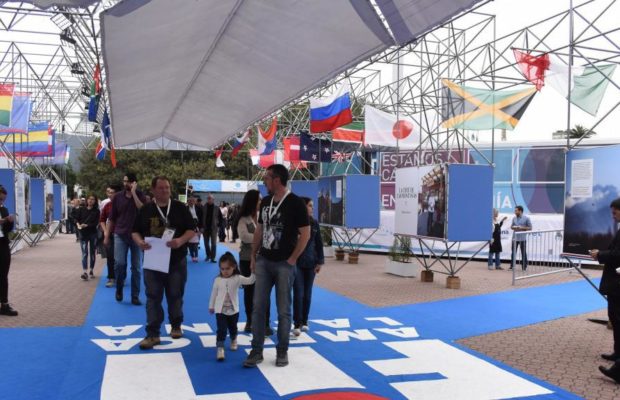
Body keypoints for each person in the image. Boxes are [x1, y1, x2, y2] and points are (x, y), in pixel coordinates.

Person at [244, 164, 310, 368]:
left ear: (277, 180)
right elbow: (259, 230)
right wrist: (253, 255)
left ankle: (282, 350)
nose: (264, 181)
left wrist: (293, 259)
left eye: (267, 178)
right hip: (264, 261)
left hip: (284, 263)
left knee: (283, 310)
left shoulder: (296, 203)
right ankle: (256, 350)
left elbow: (305, 234)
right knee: (258, 307)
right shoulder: (265, 202)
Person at [132, 176, 196, 350]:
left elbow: (192, 229)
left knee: (175, 295)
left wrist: (180, 241)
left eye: (167, 187)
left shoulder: (179, 207)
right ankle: (152, 333)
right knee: (153, 297)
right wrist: (139, 242)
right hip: (153, 262)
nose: (165, 191)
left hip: (176, 260)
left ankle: (176, 324)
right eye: (161, 188)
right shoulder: (145, 209)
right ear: (153, 190)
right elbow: (135, 231)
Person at [106, 172, 146, 305]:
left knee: (136, 267)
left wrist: (134, 193)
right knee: (119, 264)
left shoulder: (140, 195)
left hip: (137, 236)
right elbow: (112, 218)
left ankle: (135, 296)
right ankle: (119, 288)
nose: (125, 183)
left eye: (127, 181)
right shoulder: (118, 197)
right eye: (124, 181)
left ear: (134, 182)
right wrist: (107, 236)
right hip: (120, 234)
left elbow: (142, 209)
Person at [209, 252, 256, 361]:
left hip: (234, 311)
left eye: (228, 268)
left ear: (234, 267)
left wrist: (253, 271)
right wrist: (211, 306)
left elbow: (250, 281)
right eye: (222, 269)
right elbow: (213, 294)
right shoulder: (217, 280)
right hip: (220, 310)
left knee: (233, 327)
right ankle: (220, 347)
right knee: (221, 329)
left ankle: (234, 339)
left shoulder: (237, 278)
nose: (225, 271)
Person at [237, 189, 272, 334]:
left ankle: (265, 323)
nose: (261, 202)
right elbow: (244, 237)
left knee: (265, 292)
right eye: (259, 199)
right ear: (252, 201)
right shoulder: (243, 219)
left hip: (264, 258)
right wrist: (262, 238)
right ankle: (250, 321)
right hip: (246, 259)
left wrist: (260, 238)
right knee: (249, 291)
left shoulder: (265, 216)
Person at [594, 199, 620, 383]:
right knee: (615, 318)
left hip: (617, 283)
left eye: (615, 212)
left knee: (617, 318)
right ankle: (618, 354)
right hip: (615, 283)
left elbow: (617, 255)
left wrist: (600, 254)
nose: (613, 216)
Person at [292, 197, 324, 336]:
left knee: (307, 294)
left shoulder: (315, 223)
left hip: (311, 263)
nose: (312, 208)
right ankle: (297, 323)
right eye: (310, 205)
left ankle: (305, 321)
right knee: (298, 293)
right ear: (303, 206)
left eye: (312, 205)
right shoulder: (294, 222)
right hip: (297, 263)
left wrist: (320, 261)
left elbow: (319, 243)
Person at [0, 185, 17, 316]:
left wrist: (9, 222)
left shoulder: (4, 209)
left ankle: (4, 304)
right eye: (0, 199)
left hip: (3, 244)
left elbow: (7, 230)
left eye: (3, 200)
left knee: (3, 275)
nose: (2, 202)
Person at [75, 194, 101, 280]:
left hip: (93, 233)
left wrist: (87, 225)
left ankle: (91, 269)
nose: (90, 201)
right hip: (83, 234)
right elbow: (76, 219)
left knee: (92, 252)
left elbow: (96, 223)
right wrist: (78, 224)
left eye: (93, 199)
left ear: (95, 201)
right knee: (84, 253)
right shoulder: (81, 209)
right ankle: (85, 271)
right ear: (86, 200)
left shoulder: (96, 211)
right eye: (89, 199)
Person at [100, 184, 121, 287]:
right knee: (110, 256)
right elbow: (102, 220)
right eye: (109, 192)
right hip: (110, 234)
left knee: (120, 259)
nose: (110, 195)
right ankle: (111, 277)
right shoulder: (107, 205)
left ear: (117, 194)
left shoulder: (123, 204)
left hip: (121, 235)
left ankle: (121, 276)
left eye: (112, 193)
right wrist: (105, 231)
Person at [510, 205, 532, 271]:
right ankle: (512, 266)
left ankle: (524, 267)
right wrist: (514, 227)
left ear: (520, 211)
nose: (515, 212)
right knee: (513, 253)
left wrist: (521, 228)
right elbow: (511, 226)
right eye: (515, 210)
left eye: (516, 211)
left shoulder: (526, 218)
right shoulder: (514, 218)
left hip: (522, 238)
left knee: (523, 253)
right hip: (514, 238)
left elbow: (530, 227)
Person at [202, 194, 222, 263]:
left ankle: (213, 257)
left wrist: (218, 225)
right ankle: (208, 255)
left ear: (213, 200)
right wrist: (201, 227)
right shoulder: (204, 207)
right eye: (208, 198)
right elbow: (201, 217)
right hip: (205, 228)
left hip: (214, 228)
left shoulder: (217, 207)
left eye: (210, 198)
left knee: (213, 244)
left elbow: (220, 217)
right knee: (206, 243)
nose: (209, 200)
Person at [186, 196, 203, 263]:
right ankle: (192, 256)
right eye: (189, 201)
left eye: (192, 201)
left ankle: (196, 256)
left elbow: (201, 218)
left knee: (195, 244)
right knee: (190, 245)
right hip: (188, 228)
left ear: (194, 202)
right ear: (188, 202)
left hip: (197, 227)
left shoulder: (199, 208)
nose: (191, 202)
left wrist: (201, 228)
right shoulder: (185, 208)